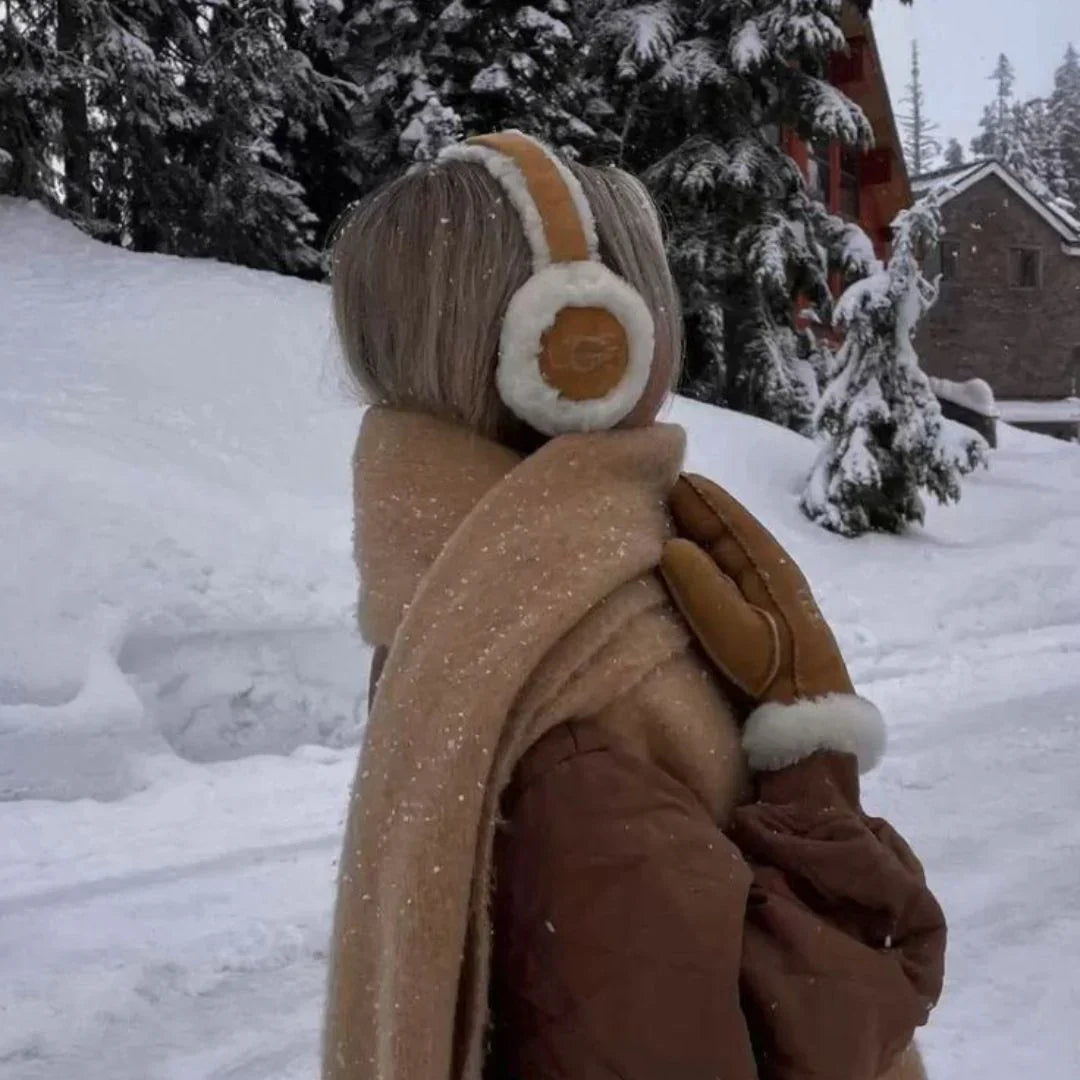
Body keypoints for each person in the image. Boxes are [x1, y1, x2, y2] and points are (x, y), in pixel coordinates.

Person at [323, 131, 945, 1080]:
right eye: (650, 309)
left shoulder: (464, 617)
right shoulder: (598, 677)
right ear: (580, 344)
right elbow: (809, 1029)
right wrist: (811, 782)